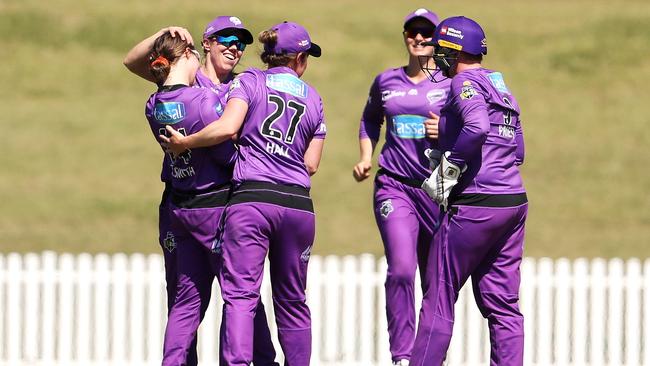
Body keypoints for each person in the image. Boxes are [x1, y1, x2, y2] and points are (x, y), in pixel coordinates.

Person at [161, 21, 325, 366]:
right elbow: (311, 163)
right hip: (298, 205)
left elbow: (228, 128)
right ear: (298, 58)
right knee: (293, 300)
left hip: (252, 200)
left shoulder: (249, 80)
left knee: (241, 296)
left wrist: (184, 143)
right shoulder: (314, 98)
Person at [124, 17, 278, 366]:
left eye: (241, 41)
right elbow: (131, 61)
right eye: (226, 37)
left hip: (203, 203)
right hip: (205, 203)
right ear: (203, 44)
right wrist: (164, 30)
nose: (234, 46)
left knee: (209, 298)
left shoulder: (232, 87)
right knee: (219, 293)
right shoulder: (195, 88)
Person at [411, 16, 528, 366]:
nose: (437, 58)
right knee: (504, 306)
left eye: (441, 50)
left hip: (476, 204)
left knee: (439, 297)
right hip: (512, 203)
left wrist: (451, 167)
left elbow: (476, 128)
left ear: (454, 51)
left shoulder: (463, 83)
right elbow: (517, 152)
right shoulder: (501, 86)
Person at [352, 8, 450, 366]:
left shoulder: (450, 83)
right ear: (405, 35)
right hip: (394, 186)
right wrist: (366, 156)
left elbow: (473, 130)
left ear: (438, 38)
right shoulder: (386, 81)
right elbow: (369, 120)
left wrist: (447, 131)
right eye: (413, 32)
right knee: (402, 269)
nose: (419, 39)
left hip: (437, 190)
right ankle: (403, 356)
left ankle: (429, 356)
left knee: (436, 283)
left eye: (427, 33)